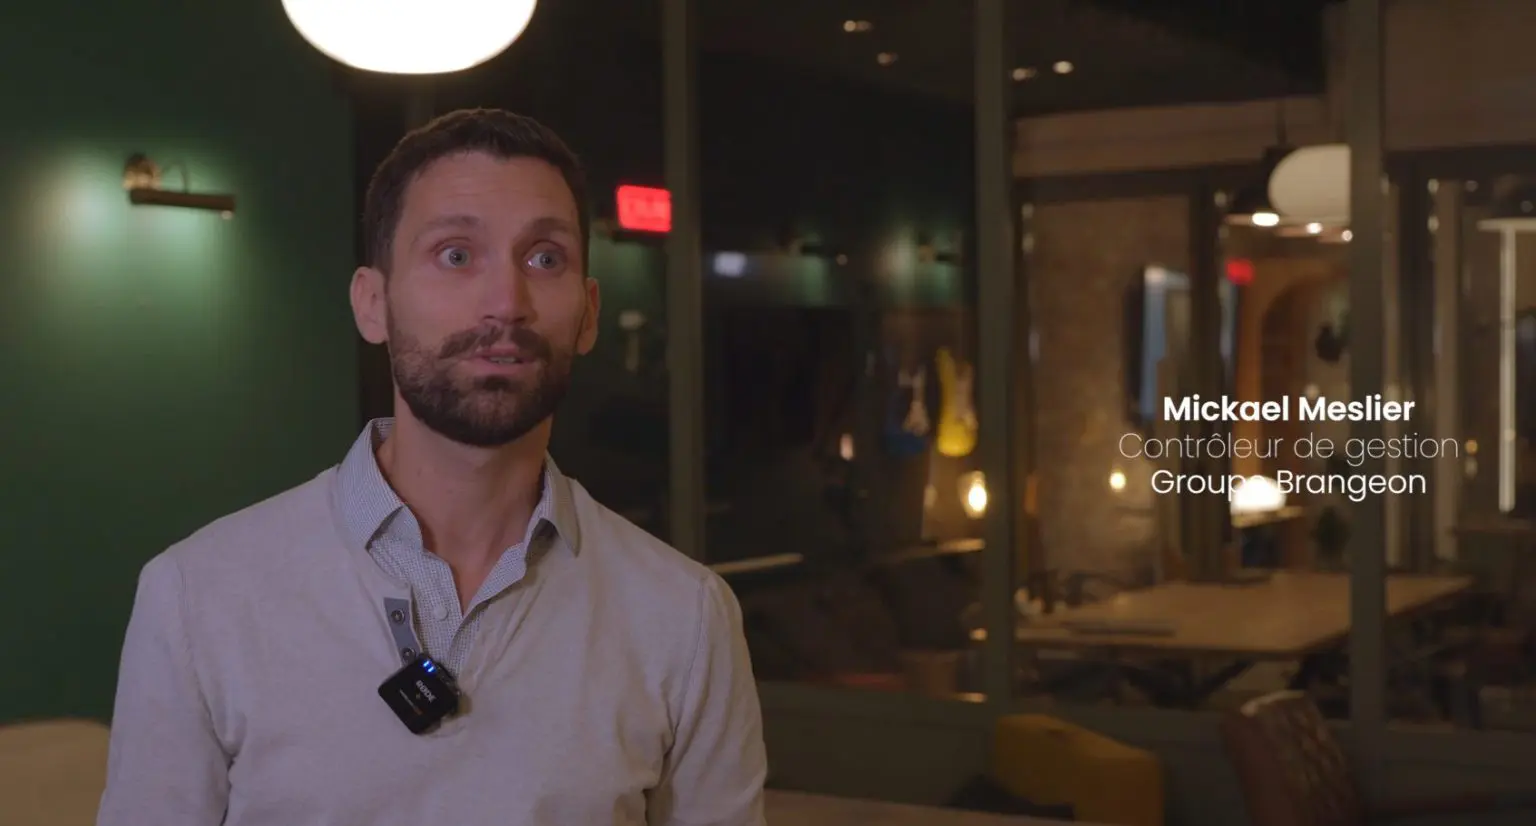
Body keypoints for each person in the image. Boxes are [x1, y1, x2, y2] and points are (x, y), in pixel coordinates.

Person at [97, 108, 767, 826]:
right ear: (373, 303)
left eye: (544, 258)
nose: (506, 302)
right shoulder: (198, 597)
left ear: (588, 312)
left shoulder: (685, 617)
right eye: (455, 255)